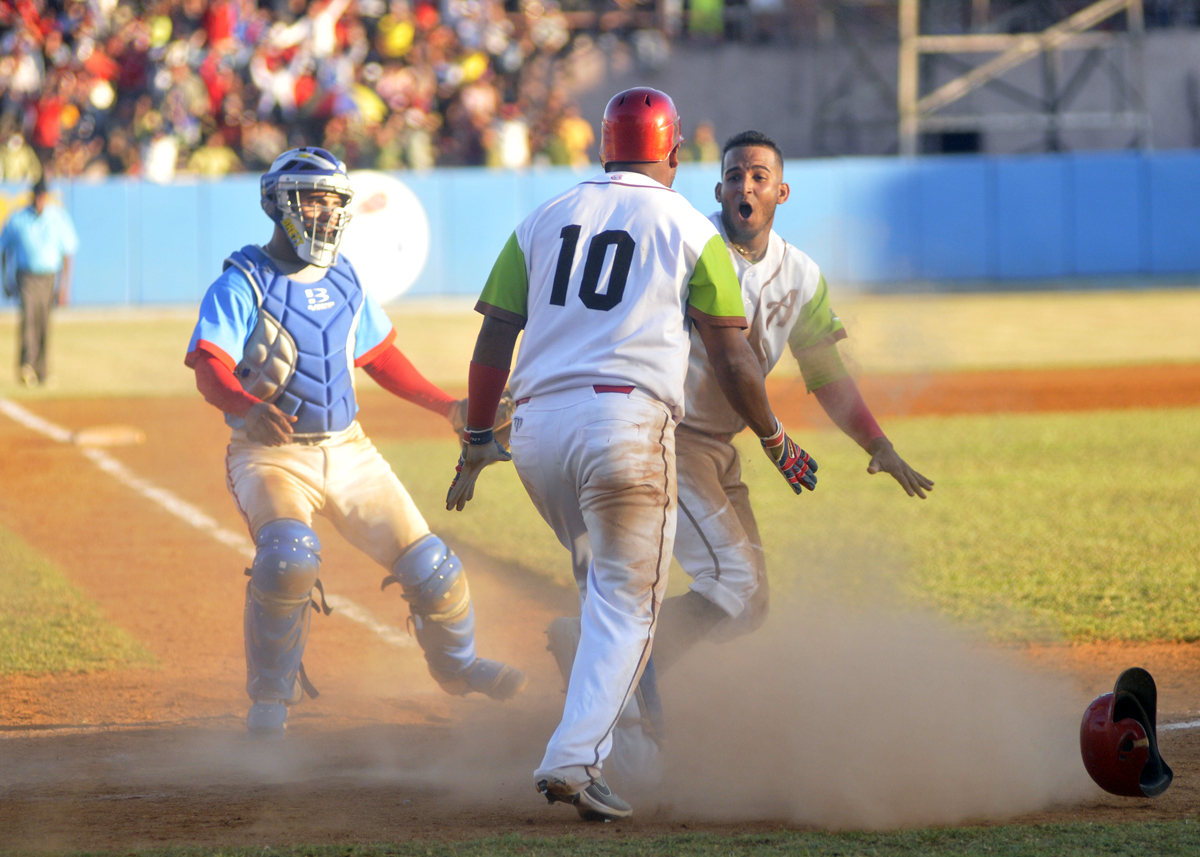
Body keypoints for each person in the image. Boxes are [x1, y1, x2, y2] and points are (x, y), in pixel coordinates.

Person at [445, 89, 818, 821]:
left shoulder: (544, 216)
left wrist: (477, 440)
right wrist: (774, 437)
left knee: (605, 591)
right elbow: (734, 358)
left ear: (606, 149)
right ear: (673, 155)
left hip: (539, 433)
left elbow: (495, 336)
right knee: (628, 606)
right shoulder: (686, 223)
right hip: (625, 426)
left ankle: (625, 746)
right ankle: (574, 759)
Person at [550, 129, 935, 777]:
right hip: (664, 433)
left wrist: (879, 444)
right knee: (734, 581)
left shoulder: (802, 275)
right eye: (734, 175)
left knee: (751, 604)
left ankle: (615, 652)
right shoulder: (685, 245)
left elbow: (825, 372)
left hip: (720, 447)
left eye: (759, 176)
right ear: (718, 189)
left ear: (781, 191)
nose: (745, 186)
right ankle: (619, 661)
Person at [184, 147, 525, 735]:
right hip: (271, 455)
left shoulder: (345, 277)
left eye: (333, 202)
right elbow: (207, 363)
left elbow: (380, 356)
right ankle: (269, 703)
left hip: (348, 449)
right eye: (312, 200)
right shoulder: (242, 281)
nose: (325, 213)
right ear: (277, 204)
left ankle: (459, 667)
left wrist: (446, 405)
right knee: (288, 558)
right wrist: (245, 406)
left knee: (434, 569)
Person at [0, 176, 78, 387]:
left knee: (43, 322)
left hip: (48, 276)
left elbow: (68, 251)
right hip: (26, 276)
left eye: (43, 196)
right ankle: (26, 366)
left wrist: (64, 287)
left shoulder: (57, 217)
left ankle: (42, 370)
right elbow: (4, 248)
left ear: (47, 197)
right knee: (28, 320)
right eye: (36, 196)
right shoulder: (18, 218)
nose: (39, 200)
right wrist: (6, 279)